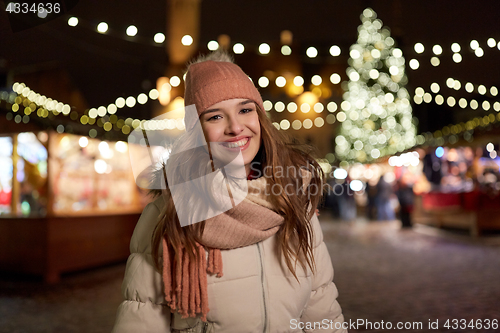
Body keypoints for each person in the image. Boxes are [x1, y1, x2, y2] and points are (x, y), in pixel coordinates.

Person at [111, 51, 346, 333]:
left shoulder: (293, 199)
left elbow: (321, 308)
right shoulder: (169, 213)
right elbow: (141, 318)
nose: (236, 128)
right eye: (215, 117)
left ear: (260, 118)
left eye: (245, 110)